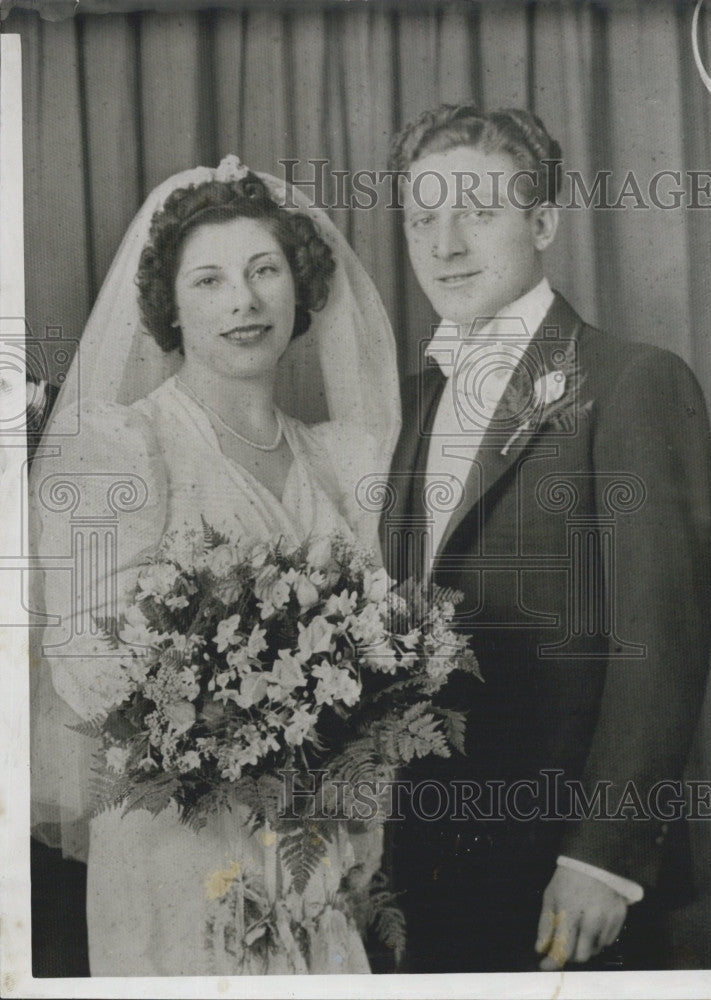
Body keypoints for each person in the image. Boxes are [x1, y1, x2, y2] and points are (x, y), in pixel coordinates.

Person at [28, 155, 400, 976]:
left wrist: (347, 783)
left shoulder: (336, 459)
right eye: (209, 280)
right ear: (170, 307)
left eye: (264, 270)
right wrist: (241, 718)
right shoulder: (121, 447)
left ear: (298, 288)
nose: (243, 300)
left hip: (316, 847)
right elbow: (87, 665)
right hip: (177, 845)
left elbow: (375, 665)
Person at [382, 105, 711, 973]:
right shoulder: (417, 398)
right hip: (424, 868)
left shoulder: (632, 382)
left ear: (543, 222)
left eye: (475, 214)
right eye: (422, 220)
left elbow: (660, 643)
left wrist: (601, 855)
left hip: (562, 871)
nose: (444, 245)